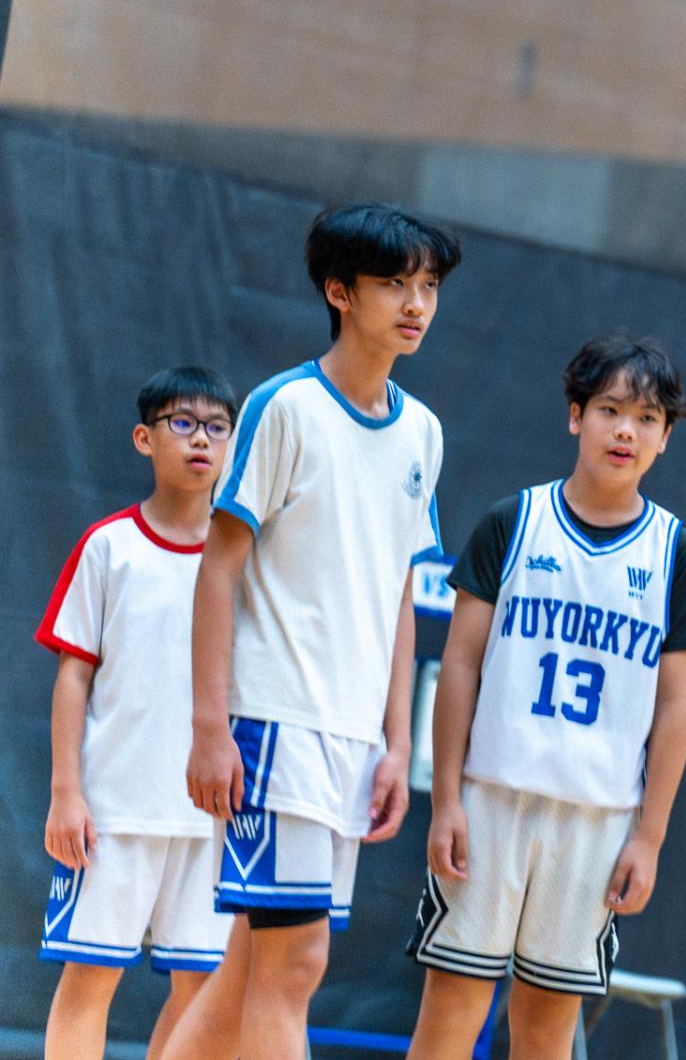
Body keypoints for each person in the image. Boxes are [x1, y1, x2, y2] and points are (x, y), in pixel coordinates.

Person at [160, 202, 461, 1060]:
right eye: (393, 283)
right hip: (272, 728)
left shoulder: (423, 432)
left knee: (254, 963)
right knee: (296, 964)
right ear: (339, 290)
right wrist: (210, 728)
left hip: (349, 738)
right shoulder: (283, 406)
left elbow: (402, 593)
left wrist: (397, 742)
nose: (416, 302)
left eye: (428, 284)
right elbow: (216, 568)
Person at [404, 335, 686, 1059]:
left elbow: (676, 705)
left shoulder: (675, 554)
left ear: (666, 437)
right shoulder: (513, 522)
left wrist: (651, 834)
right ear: (576, 416)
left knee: (546, 1027)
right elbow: (459, 665)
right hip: (490, 804)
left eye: (645, 418)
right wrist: (446, 797)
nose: (625, 430)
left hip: (598, 821)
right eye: (609, 409)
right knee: (452, 1010)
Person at [38, 367, 240, 1060]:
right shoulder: (108, 545)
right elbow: (73, 675)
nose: (200, 440)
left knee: (203, 990)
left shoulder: (246, 554)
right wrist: (68, 792)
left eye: (217, 426)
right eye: (182, 422)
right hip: (114, 808)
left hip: (211, 814)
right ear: (143, 437)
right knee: (89, 977)